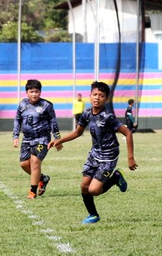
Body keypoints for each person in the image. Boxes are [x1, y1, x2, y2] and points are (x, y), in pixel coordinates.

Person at [49, 81, 137, 224]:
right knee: (84, 186)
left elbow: (127, 133)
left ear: (106, 99)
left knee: (94, 190)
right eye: (94, 94)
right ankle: (93, 215)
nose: (97, 98)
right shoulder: (87, 113)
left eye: (101, 96)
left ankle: (116, 177)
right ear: (90, 96)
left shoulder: (108, 116)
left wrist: (130, 158)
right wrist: (60, 140)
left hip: (109, 156)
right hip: (94, 154)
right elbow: (78, 132)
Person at [12, 79, 62, 199]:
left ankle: (32, 191)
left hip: (42, 139)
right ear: (26, 92)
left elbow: (53, 122)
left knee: (35, 162)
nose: (34, 94)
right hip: (27, 139)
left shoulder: (47, 105)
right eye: (31, 91)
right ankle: (42, 179)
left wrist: (57, 139)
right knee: (24, 164)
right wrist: (15, 136)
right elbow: (17, 120)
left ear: (40, 92)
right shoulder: (22, 104)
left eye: (36, 91)